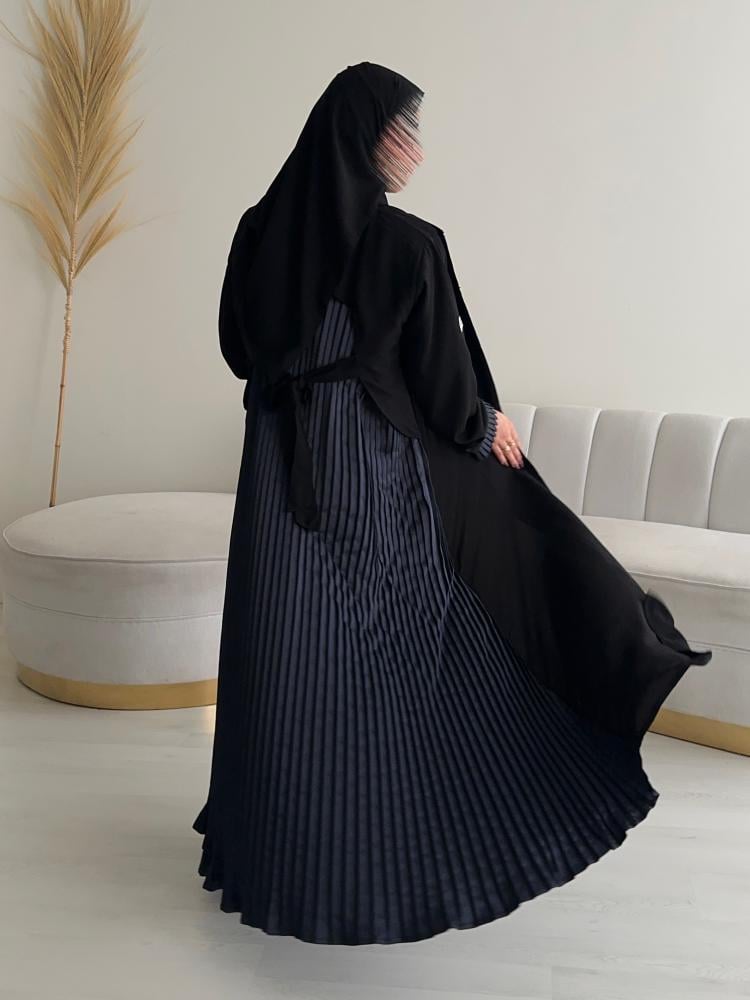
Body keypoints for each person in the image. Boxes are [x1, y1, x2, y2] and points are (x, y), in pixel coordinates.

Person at [192, 61, 713, 946]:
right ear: (363, 136)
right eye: (404, 131)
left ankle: (274, 853)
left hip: (275, 474)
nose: (418, 152)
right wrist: (485, 426)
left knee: (283, 655)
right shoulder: (408, 245)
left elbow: (240, 353)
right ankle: (368, 857)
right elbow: (442, 388)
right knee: (377, 660)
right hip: (365, 476)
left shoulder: (258, 228)